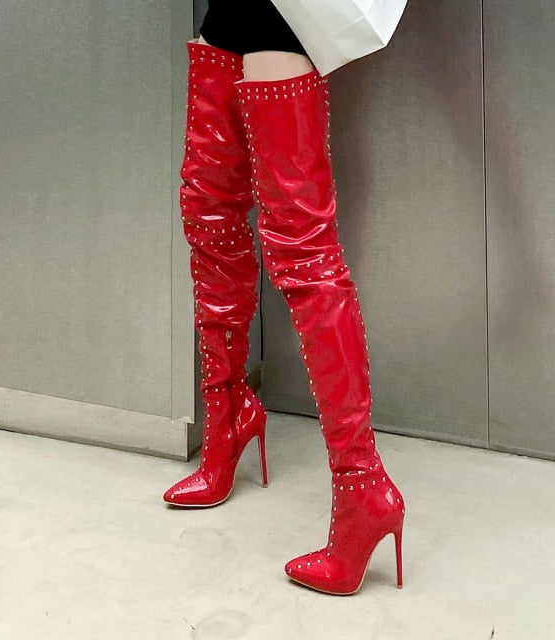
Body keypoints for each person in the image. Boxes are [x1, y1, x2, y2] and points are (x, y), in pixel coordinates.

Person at [163, 0, 405, 596]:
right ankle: (227, 420)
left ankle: (362, 485)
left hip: (284, 14)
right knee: (208, 212)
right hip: (233, 10)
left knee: (302, 247)